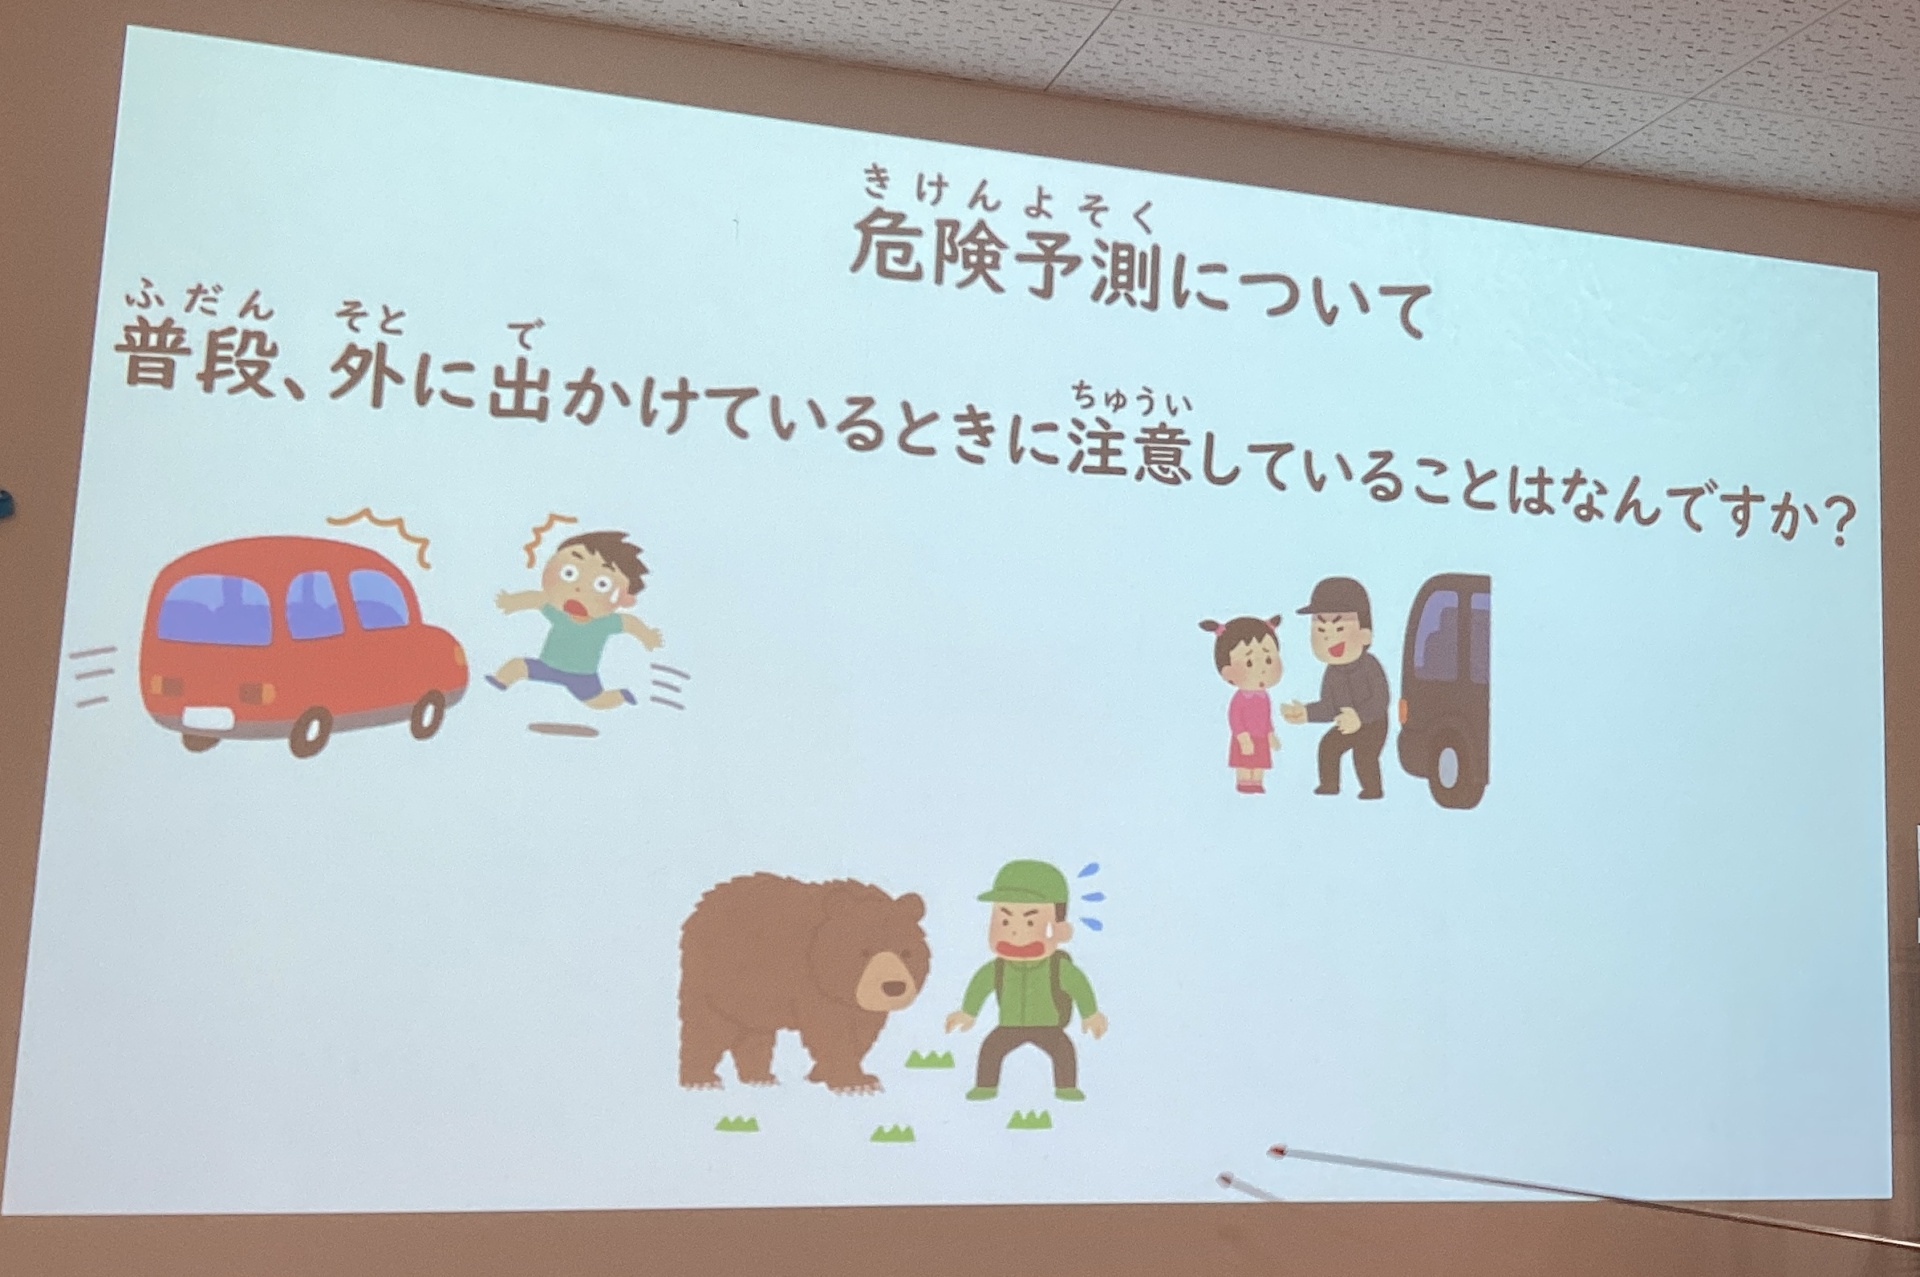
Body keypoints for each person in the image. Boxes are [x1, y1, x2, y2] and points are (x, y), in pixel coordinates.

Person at [946, 859, 1107, 1102]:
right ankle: (985, 1086)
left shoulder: (1058, 968)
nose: (1014, 932)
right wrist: (968, 1012)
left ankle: (1066, 1088)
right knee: (991, 1049)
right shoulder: (998, 968)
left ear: (1061, 930)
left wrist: (1090, 1013)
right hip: (1009, 1024)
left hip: (1049, 1026)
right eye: (1004, 921)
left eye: (1030, 922)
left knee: (1063, 1051)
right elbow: (980, 985)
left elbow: (1078, 985)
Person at [488, 530, 663, 710]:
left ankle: (621, 696)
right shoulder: (559, 614)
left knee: (597, 701)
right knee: (517, 666)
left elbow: (629, 623)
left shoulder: (605, 623)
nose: (579, 588)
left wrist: (647, 636)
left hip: (583, 676)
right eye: (569, 573)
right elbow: (537, 599)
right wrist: (512, 602)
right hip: (548, 665)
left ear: (626, 599)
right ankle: (500, 681)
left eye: (602, 584)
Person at [1281, 576, 1390, 799]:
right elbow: (1329, 706)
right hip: (1345, 722)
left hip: (1373, 723)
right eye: (1321, 630)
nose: (1329, 637)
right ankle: (1329, 784)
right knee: (1329, 746)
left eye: (1339, 628)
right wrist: (1306, 713)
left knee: (1364, 754)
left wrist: (1360, 718)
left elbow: (1381, 700)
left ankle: (1373, 789)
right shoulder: (1332, 672)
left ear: (1365, 635)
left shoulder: (1370, 665)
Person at [1200, 615, 1283, 794]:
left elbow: (1267, 718)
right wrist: (1243, 737)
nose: (1262, 669)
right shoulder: (1240, 698)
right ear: (1227, 670)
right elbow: (1235, 718)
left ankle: (1257, 784)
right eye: (1250, 662)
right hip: (1244, 738)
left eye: (1268, 660)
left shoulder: (1264, 697)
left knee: (1259, 764)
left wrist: (1270, 734)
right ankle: (1245, 784)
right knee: (1245, 764)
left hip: (1261, 737)